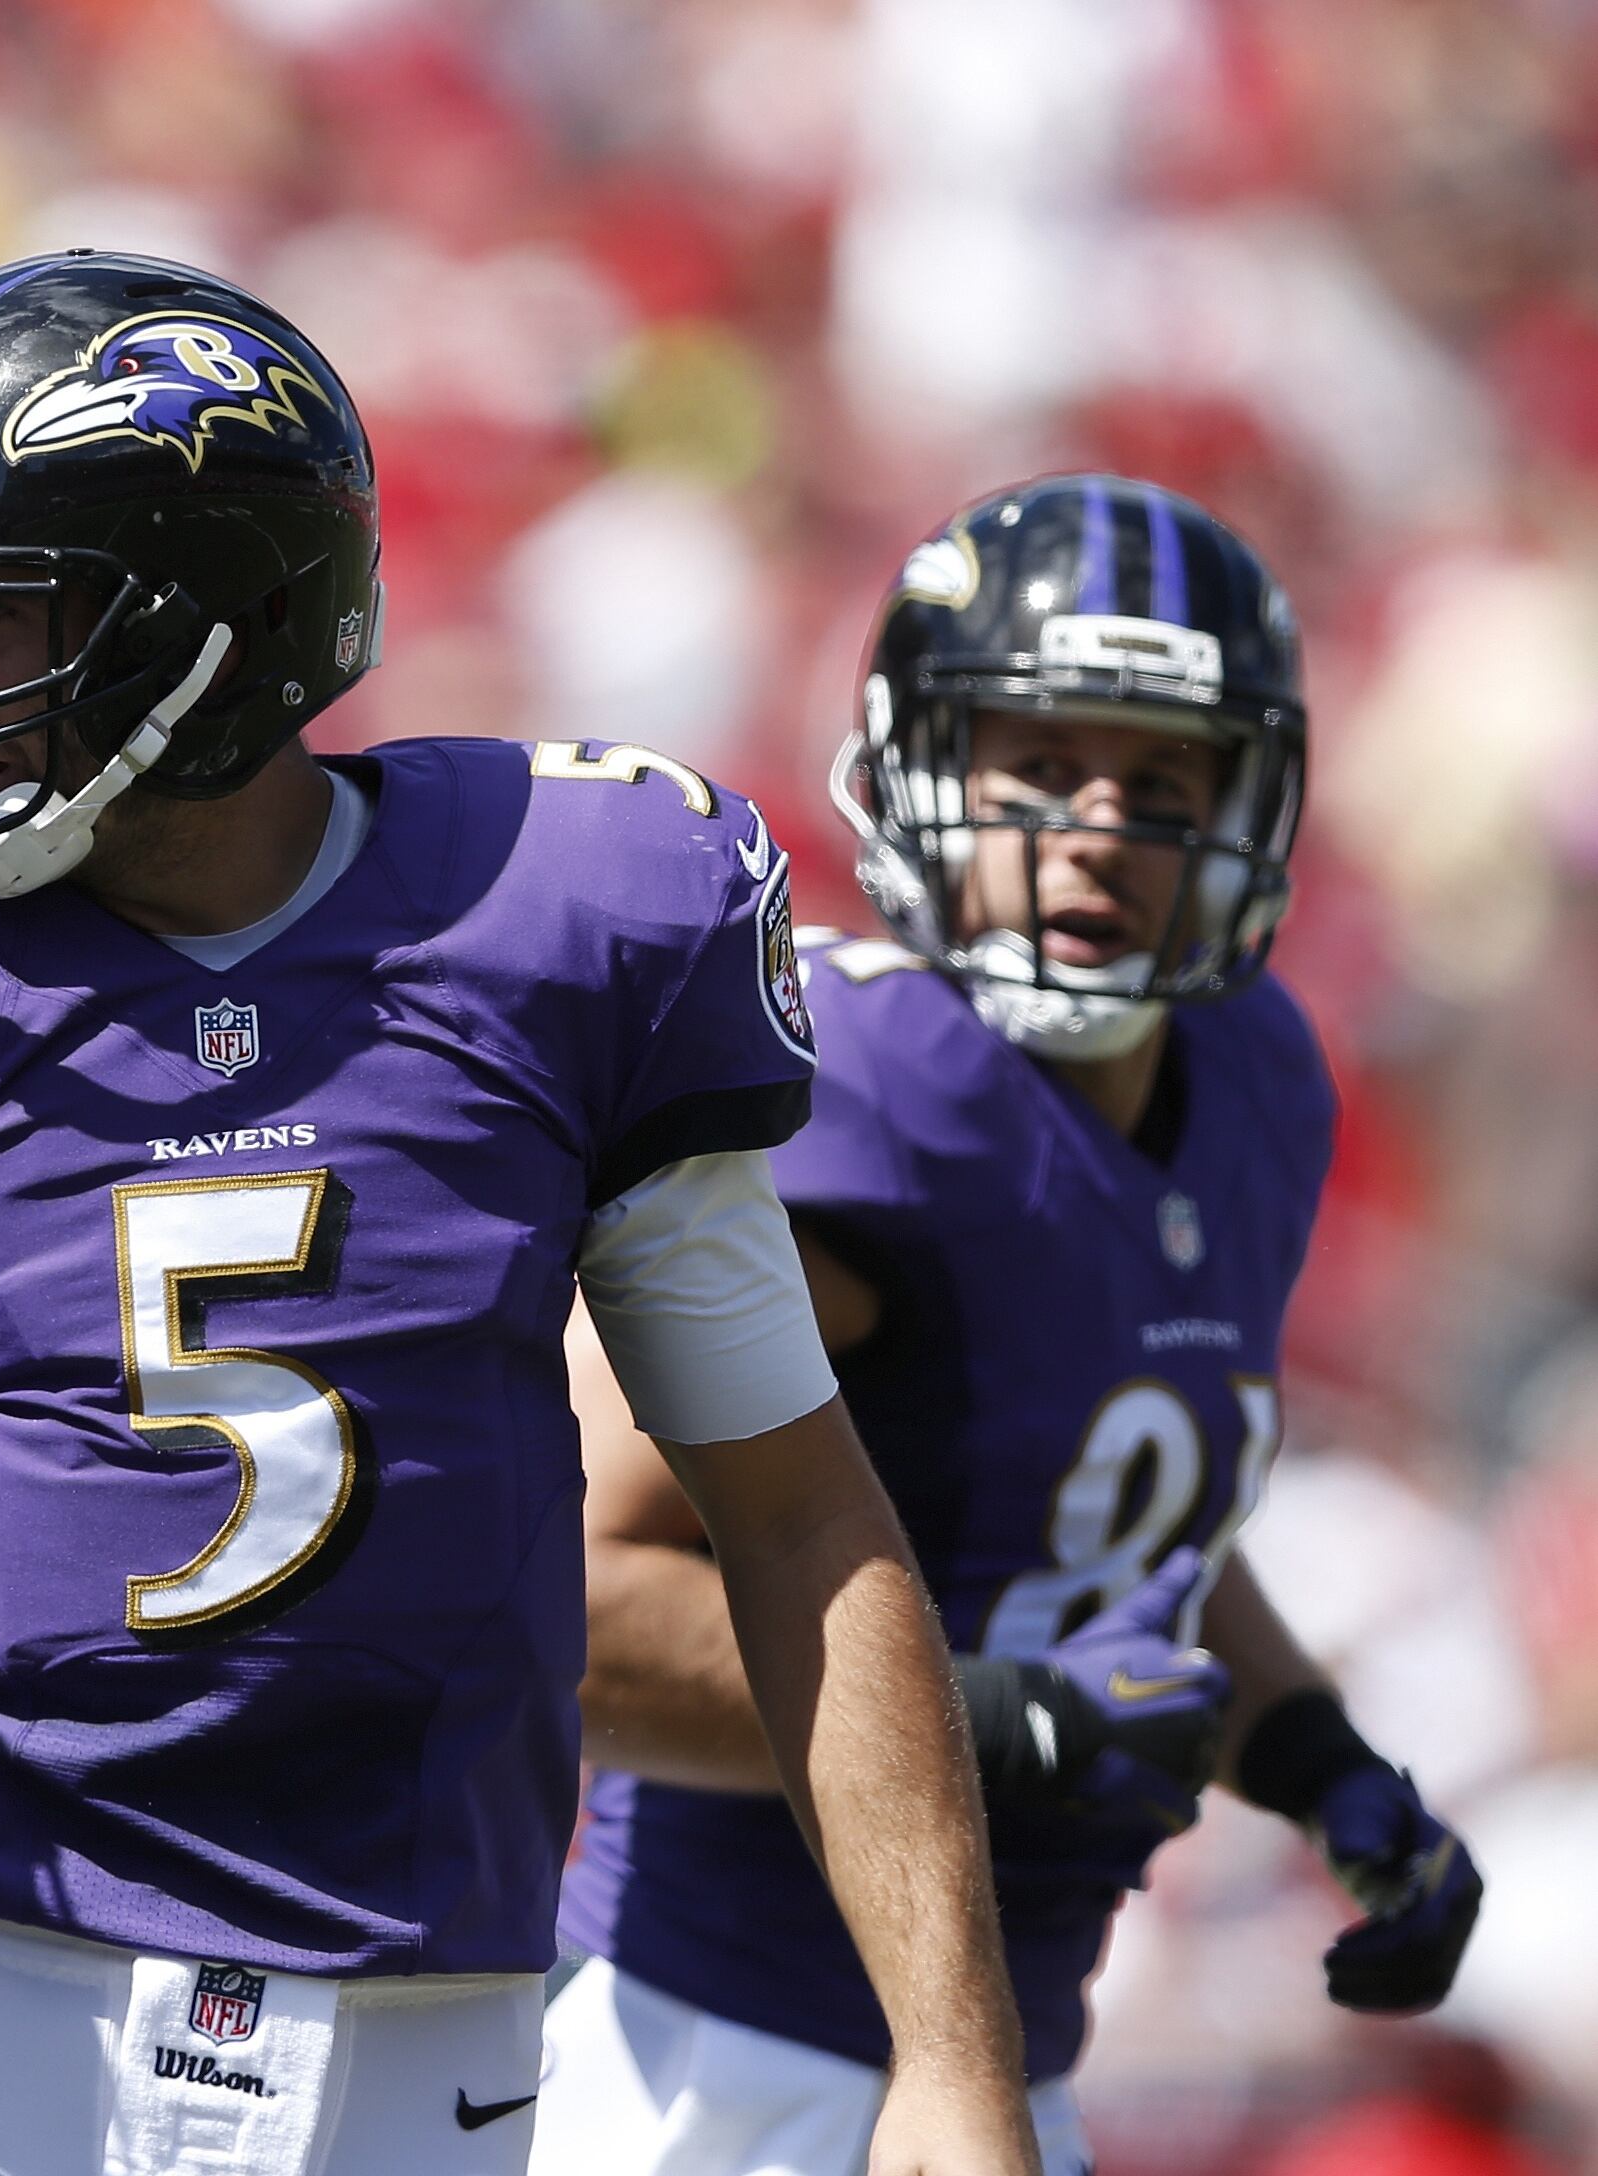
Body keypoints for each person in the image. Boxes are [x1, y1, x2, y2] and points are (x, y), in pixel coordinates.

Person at [0, 248, 1041, 2176]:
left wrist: (949, 2061)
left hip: (421, 2016)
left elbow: (799, 1518)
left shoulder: (569, 923)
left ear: (209, 627)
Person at [541, 475, 1487, 2176]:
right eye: (1039, 768)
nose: (1097, 832)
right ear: (921, 773)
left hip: (1004, 2052)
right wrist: (994, 1718)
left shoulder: (1255, 1079)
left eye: (1162, 782)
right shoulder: (864, 1100)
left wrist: (1313, 1757)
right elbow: (558, 1599)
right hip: (705, 2054)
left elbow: (1106, 1503)